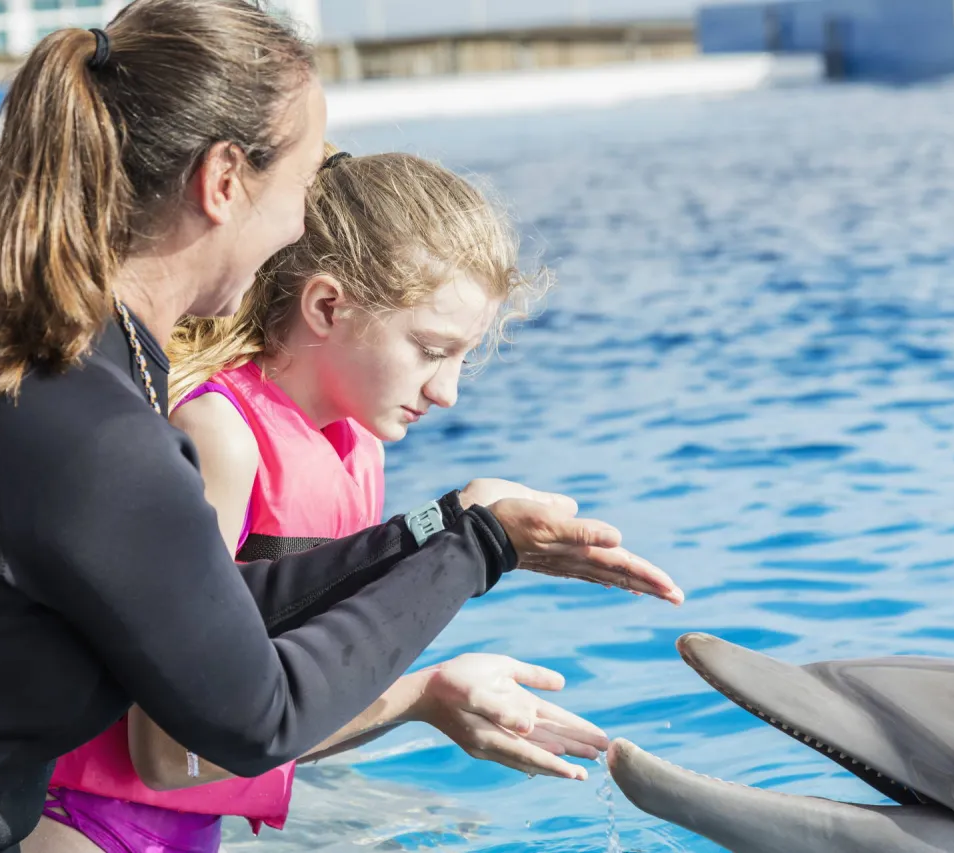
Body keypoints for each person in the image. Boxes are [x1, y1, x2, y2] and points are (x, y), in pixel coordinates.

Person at [0, 3, 682, 852]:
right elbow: (252, 715)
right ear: (222, 182)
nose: (299, 226)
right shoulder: (89, 423)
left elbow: (192, 606)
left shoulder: (4, 322)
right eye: (300, 185)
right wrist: (473, 556)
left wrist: (448, 530)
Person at [30, 146, 610, 852]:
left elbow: (278, 705)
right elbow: (169, 749)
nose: (448, 390)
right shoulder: (221, 436)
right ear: (327, 305)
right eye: (430, 349)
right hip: (79, 826)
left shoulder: (355, 448)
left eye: (464, 357)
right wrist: (419, 698)